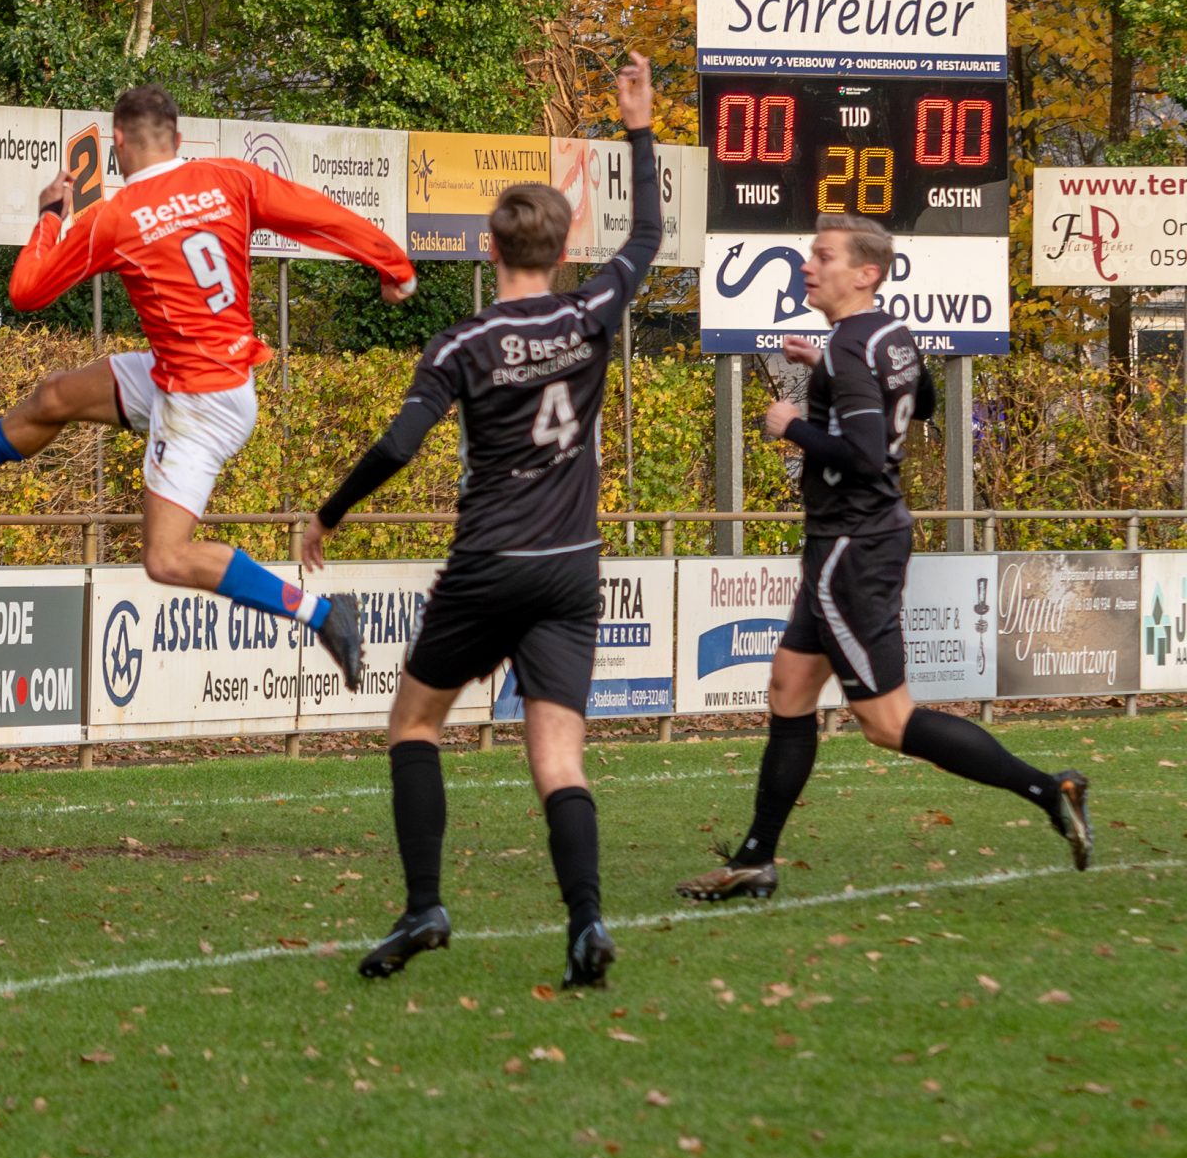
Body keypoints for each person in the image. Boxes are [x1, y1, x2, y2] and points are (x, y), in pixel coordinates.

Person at [0, 86, 417, 691]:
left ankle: (324, 614)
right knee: (55, 398)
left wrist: (51, 215)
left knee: (166, 558)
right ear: (178, 139)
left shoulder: (115, 219)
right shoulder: (232, 178)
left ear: (117, 143)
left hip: (196, 405)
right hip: (196, 374)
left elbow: (26, 292)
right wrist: (395, 267)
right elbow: (319, 213)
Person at [305, 53, 660, 987]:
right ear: (561, 249)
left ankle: (425, 902)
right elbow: (651, 236)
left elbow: (396, 445)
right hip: (573, 567)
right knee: (558, 753)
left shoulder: (462, 343)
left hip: (490, 561)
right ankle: (586, 924)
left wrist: (329, 512)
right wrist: (638, 125)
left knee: (414, 724)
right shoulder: (592, 311)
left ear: (490, 248)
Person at [674, 216, 1092, 903]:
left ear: (864, 272)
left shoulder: (849, 346)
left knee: (887, 722)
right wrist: (829, 373)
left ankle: (1052, 789)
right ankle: (755, 857)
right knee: (788, 689)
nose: (808, 265)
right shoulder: (888, 335)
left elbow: (869, 458)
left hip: (852, 545)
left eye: (823, 255)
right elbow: (921, 399)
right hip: (846, 542)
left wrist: (795, 426)